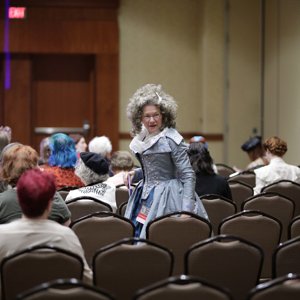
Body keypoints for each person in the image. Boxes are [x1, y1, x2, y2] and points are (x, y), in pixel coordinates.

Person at [124, 83, 208, 238]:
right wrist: (135, 174)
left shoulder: (171, 139)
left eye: (156, 115)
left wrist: (186, 209)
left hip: (168, 197)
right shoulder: (143, 138)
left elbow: (188, 175)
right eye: (147, 116)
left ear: (164, 115)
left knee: (161, 237)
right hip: (144, 195)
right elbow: (155, 168)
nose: (151, 120)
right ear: (139, 118)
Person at [0, 168, 92, 283]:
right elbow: (86, 279)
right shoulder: (66, 236)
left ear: (19, 200)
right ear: (50, 204)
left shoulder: (2, 236)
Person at [0, 144, 71, 225]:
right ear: (35, 168)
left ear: (7, 169)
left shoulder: (2, 201)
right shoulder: (52, 196)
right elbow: (67, 223)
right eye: (36, 164)